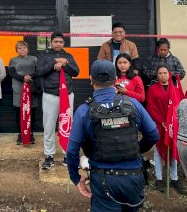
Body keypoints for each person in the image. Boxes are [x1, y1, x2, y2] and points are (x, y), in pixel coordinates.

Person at [67, 60, 158, 212]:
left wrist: (76, 179)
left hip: (103, 180)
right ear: (116, 79)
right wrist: (134, 149)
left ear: (91, 79)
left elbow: (71, 150)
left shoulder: (84, 111)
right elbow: (153, 135)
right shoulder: (133, 104)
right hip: (133, 177)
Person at [36, 31, 79, 168]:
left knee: (67, 125)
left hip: (67, 95)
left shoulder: (68, 56)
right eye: (56, 42)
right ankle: (49, 155)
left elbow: (76, 72)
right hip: (50, 94)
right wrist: (55, 62)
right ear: (51, 42)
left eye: (60, 42)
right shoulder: (43, 55)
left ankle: (67, 154)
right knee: (49, 125)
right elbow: (39, 72)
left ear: (63, 43)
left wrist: (65, 63)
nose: (58, 44)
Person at [146, 65, 187, 194]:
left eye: (165, 73)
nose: (163, 75)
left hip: (172, 125)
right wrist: (161, 121)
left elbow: (179, 106)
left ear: (169, 74)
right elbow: (150, 107)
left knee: (173, 150)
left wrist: (171, 121)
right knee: (158, 151)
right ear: (157, 75)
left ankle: (174, 178)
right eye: (160, 73)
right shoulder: (152, 89)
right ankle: (159, 178)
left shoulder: (174, 89)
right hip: (159, 124)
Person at [8, 41, 38, 145]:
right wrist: (23, 78)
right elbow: (12, 72)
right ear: (16, 50)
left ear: (27, 49)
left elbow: (39, 70)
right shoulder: (13, 60)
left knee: (32, 112)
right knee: (19, 113)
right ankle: (21, 134)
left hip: (31, 89)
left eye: (24, 47)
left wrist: (30, 77)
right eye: (20, 48)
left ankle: (31, 134)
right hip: (19, 89)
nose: (22, 50)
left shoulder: (34, 59)